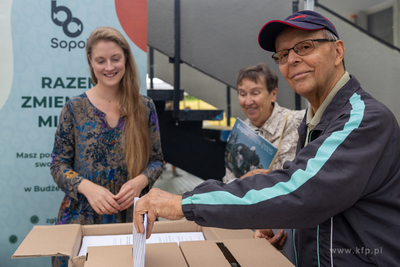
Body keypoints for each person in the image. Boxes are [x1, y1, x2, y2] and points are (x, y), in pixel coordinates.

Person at [134, 10, 400, 266]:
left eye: (305, 46)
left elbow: (300, 191)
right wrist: (283, 227)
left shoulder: (363, 119)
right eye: (283, 54)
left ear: (338, 51)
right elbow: (326, 202)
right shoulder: (313, 121)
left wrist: (184, 202)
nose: (292, 59)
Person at [51, 26, 163, 266]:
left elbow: (156, 160)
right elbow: (58, 164)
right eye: (101, 60)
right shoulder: (74, 108)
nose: (109, 67)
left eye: (115, 59)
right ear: (91, 61)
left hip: (131, 217)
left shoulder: (145, 107)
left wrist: (140, 182)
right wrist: (87, 187)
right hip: (82, 219)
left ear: (125, 58)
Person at [223, 63, 305, 254]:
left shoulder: (298, 122)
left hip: (289, 230)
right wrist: (244, 180)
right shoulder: (238, 134)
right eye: (242, 94)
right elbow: (227, 184)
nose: (248, 101)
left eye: (255, 93)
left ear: (273, 94)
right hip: (250, 228)